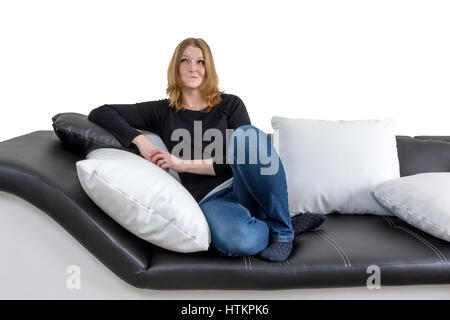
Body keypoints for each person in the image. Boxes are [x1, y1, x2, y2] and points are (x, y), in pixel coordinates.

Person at [88, 37, 325, 262]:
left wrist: (181, 164)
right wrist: (141, 141)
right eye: (185, 60)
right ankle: (278, 224)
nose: (193, 68)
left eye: (200, 61)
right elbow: (102, 112)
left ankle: (283, 233)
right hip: (211, 199)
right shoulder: (162, 111)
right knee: (239, 241)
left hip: (243, 184)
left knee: (248, 136)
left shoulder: (230, 104)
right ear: (176, 67)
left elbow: (243, 157)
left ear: (208, 67)